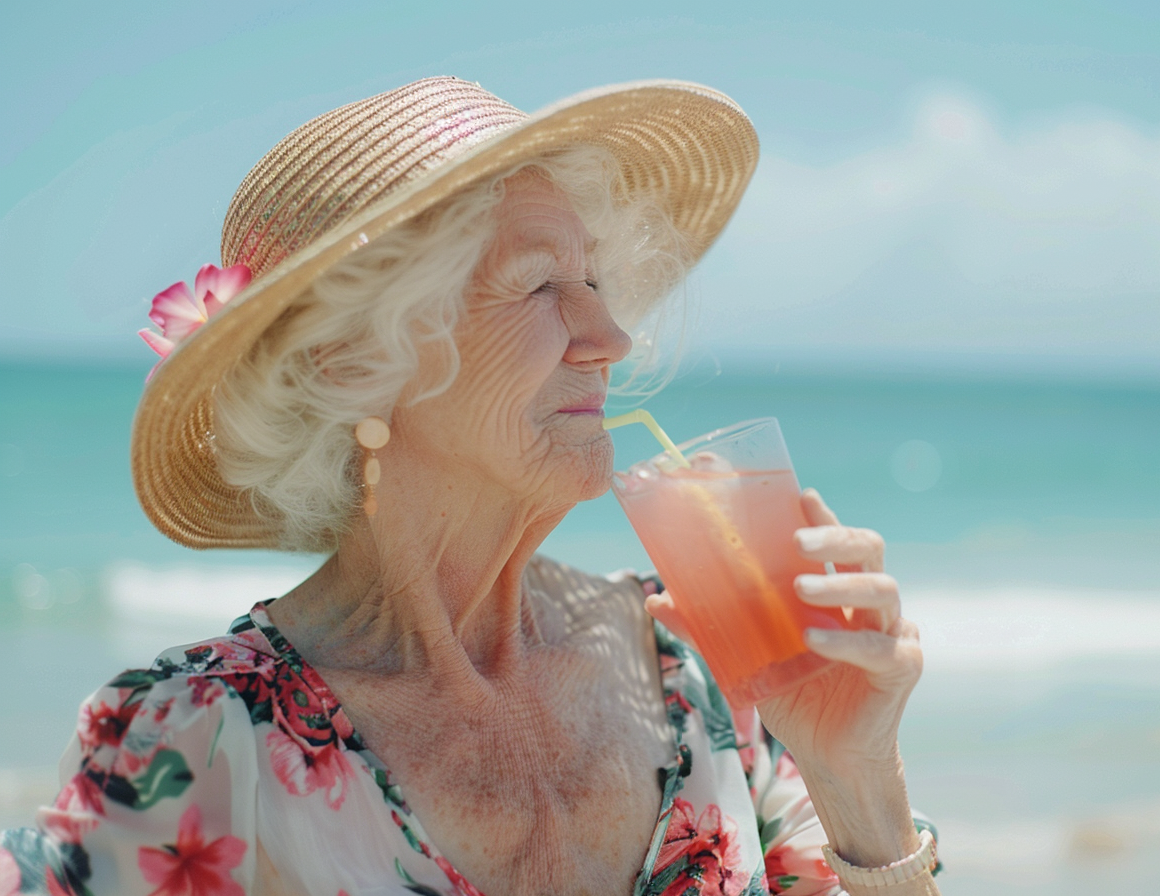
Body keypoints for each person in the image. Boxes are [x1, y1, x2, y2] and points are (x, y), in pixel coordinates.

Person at [0, 78, 939, 896]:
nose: (611, 335)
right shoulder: (198, 742)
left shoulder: (702, 670)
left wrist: (858, 785)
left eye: (597, 281)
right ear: (354, 361)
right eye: (540, 287)